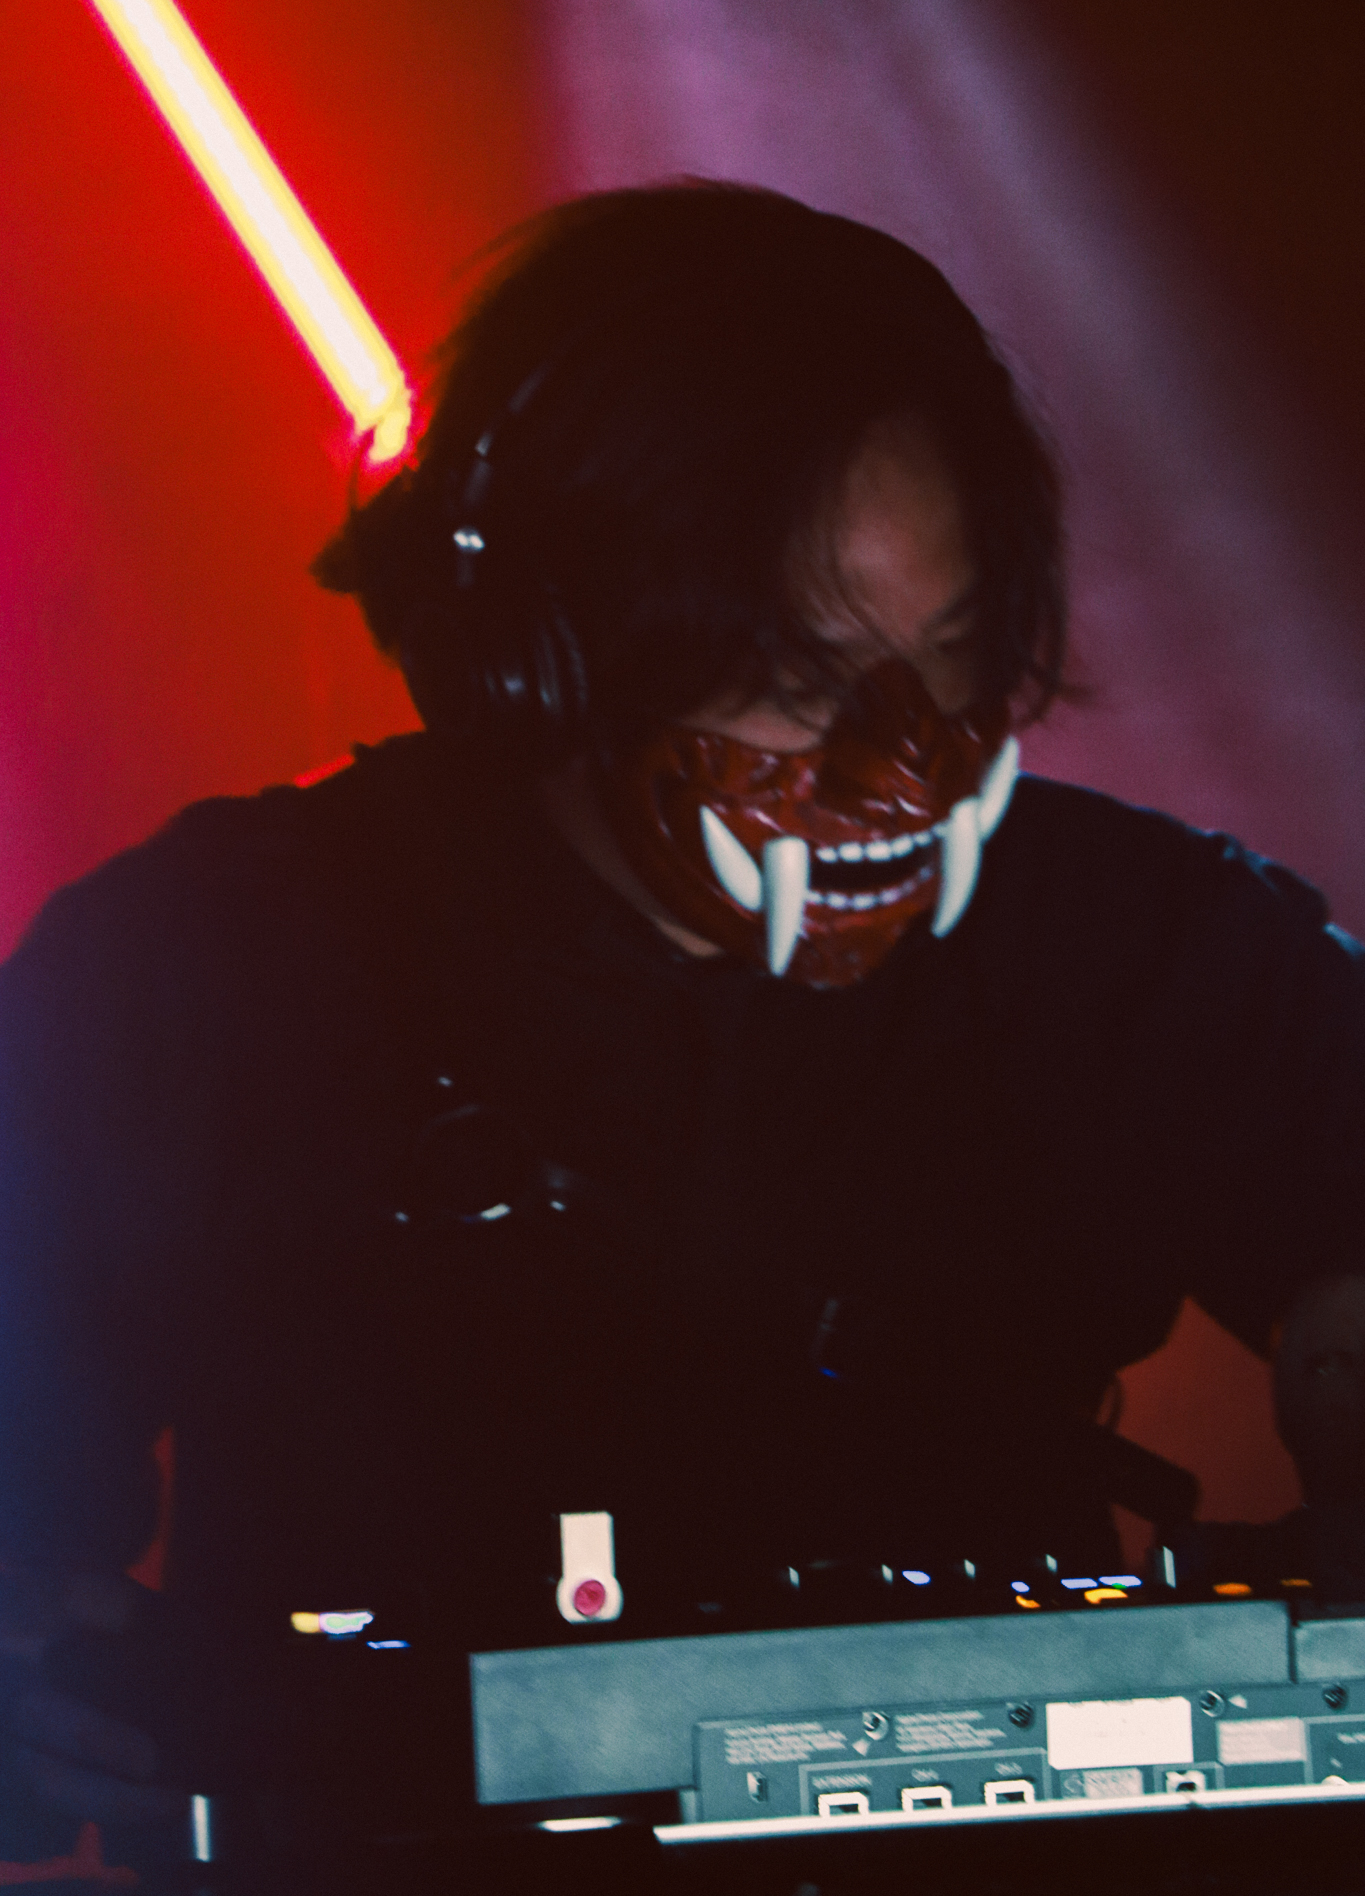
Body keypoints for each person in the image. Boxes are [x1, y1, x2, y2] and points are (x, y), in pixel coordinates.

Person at [0, 181, 1362, 1867]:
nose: (902, 766)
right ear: (538, 655)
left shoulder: (1134, 938)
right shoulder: (197, 970)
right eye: (798, 680)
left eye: (945, 659)